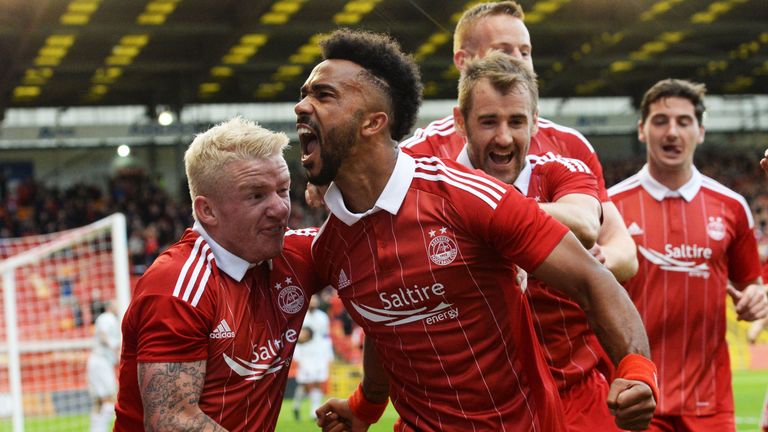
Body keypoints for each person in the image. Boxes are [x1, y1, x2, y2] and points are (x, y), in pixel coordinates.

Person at [296, 28, 656, 432]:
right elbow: (388, 322)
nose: (301, 107)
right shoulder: (330, 245)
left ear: (373, 122)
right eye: (305, 93)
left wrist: (637, 369)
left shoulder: (473, 199)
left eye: (323, 96)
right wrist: (366, 405)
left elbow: (594, 278)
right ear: (462, 123)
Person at [448, 51, 629, 431]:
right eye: (488, 122)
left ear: (534, 123)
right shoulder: (430, 184)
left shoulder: (562, 171)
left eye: (517, 122)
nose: (504, 137)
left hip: (575, 398)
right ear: (460, 122)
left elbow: (583, 223)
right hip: (476, 410)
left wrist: (481, 216)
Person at [399, 1, 638, 283]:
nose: (518, 61)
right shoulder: (421, 154)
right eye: (504, 50)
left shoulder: (569, 145)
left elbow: (623, 252)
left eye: (525, 52)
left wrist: (589, 265)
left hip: (557, 324)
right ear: (463, 61)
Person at [113, 117, 323, 432]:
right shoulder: (176, 286)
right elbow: (172, 421)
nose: (281, 209)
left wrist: (368, 398)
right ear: (207, 210)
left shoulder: (294, 255)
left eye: (283, 190)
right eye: (256, 196)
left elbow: (382, 247)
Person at [609, 78, 768, 432]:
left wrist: (756, 299)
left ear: (701, 131)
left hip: (710, 403)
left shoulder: (732, 207)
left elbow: (752, 285)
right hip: (636, 398)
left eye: (684, 121)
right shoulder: (610, 207)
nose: (672, 131)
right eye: (661, 120)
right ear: (641, 129)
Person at [292, 296, 334, 421]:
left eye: (315, 301)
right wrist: (297, 352)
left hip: (319, 351)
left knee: (318, 382)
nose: (313, 304)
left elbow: (326, 335)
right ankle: (296, 404)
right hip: (304, 351)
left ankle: (313, 411)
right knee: (304, 384)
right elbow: (297, 336)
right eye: (311, 301)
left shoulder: (323, 317)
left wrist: (328, 353)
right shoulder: (301, 316)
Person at [86, 300, 121, 432]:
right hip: (101, 362)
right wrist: (113, 348)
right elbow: (102, 334)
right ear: (109, 306)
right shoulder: (108, 317)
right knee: (110, 397)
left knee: (99, 401)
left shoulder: (107, 318)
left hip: (97, 361)